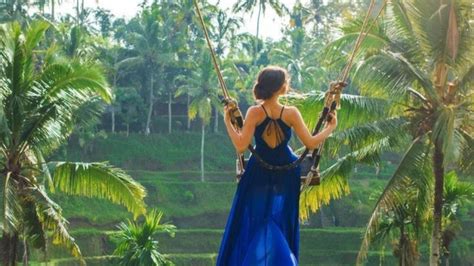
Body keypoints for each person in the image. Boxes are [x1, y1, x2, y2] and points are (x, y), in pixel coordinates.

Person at [216, 66, 338, 265]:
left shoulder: (255, 112)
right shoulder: (291, 113)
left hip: (258, 172)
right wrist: (330, 128)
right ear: (282, 88)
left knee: (252, 221)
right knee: (280, 221)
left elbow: (240, 145)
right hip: (286, 173)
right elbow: (311, 143)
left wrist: (227, 120)